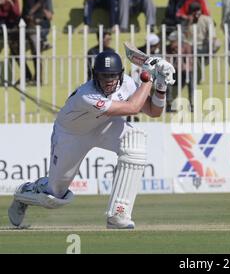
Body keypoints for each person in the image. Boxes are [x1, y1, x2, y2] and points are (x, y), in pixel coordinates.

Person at [8, 51, 176, 229]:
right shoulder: (87, 95)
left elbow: (154, 112)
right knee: (55, 197)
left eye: (113, 75)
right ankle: (25, 193)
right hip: (72, 135)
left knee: (135, 143)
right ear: (95, 75)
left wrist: (161, 84)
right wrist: (149, 78)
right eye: (104, 76)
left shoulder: (127, 83)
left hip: (104, 126)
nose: (109, 80)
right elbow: (133, 107)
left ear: (120, 74)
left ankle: (118, 214)